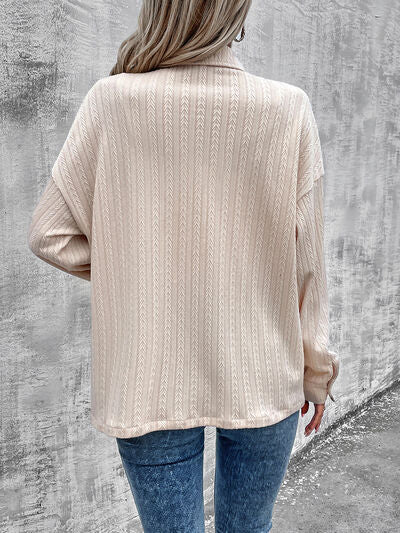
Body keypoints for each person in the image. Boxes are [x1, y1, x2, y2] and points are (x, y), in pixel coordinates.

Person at [27, 1, 339, 531]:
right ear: (236, 15)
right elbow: (307, 266)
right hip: (264, 373)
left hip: (148, 378)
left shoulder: (113, 101)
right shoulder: (288, 109)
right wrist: (316, 375)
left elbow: (49, 235)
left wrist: (138, 266)